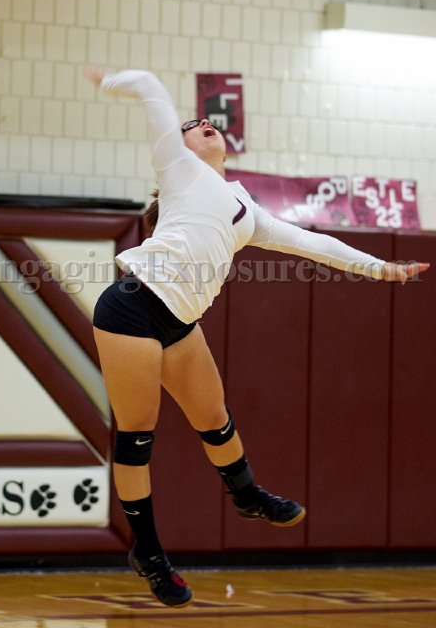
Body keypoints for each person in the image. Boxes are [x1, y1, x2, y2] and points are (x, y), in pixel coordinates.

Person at [84, 66, 429, 609]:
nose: (203, 125)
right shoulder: (177, 167)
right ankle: (148, 552)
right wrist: (110, 80)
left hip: (179, 322)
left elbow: (314, 244)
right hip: (132, 308)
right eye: (191, 125)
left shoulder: (247, 209)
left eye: (207, 124)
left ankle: (246, 496)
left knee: (214, 418)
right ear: (178, 143)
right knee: (138, 434)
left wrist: (381, 268)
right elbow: (149, 85)